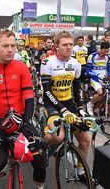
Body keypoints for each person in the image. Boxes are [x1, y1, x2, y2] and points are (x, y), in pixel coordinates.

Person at [0, 29, 46, 189]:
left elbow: (29, 98)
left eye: (13, 46)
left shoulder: (22, 68)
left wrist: (28, 122)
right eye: (5, 46)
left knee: (40, 162)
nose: (10, 50)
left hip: (22, 119)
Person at [40, 31, 89, 175]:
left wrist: (80, 107)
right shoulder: (47, 62)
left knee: (85, 140)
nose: (68, 47)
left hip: (69, 103)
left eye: (70, 44)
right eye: (65, 44)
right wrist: (63, 110)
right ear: (56, 46)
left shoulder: (75, 63)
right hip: (51, 104)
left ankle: (80, 171)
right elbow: (48, 92)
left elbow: (77, 87)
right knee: (57, 137)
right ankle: (40, 148)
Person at [86, 41, 110, 115]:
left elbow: (109, 69)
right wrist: (97, 75)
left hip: (104, 78)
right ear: (100, 49)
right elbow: (88, 71)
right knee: (100, 92)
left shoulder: (108, 57)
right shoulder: (92, 56)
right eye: (105, 51)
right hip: (94, 78)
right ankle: (90, 104)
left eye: (107, 51)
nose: (106, 53)